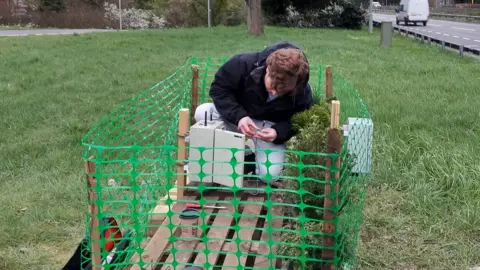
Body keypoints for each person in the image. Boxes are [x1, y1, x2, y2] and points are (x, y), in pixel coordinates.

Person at [194, 41, 313, 187]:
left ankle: (253, 160)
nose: (275, 92)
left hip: (269, 130)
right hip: (237, 119)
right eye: (272, 86)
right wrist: (240, 116)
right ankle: (241, 152)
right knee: (203, 112)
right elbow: (219, 89)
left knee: (270, 176)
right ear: (267, 69)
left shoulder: (302, 91)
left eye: (283, 90)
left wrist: (277, 132)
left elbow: (300, 120)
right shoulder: (242, 64)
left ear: (296, 83)